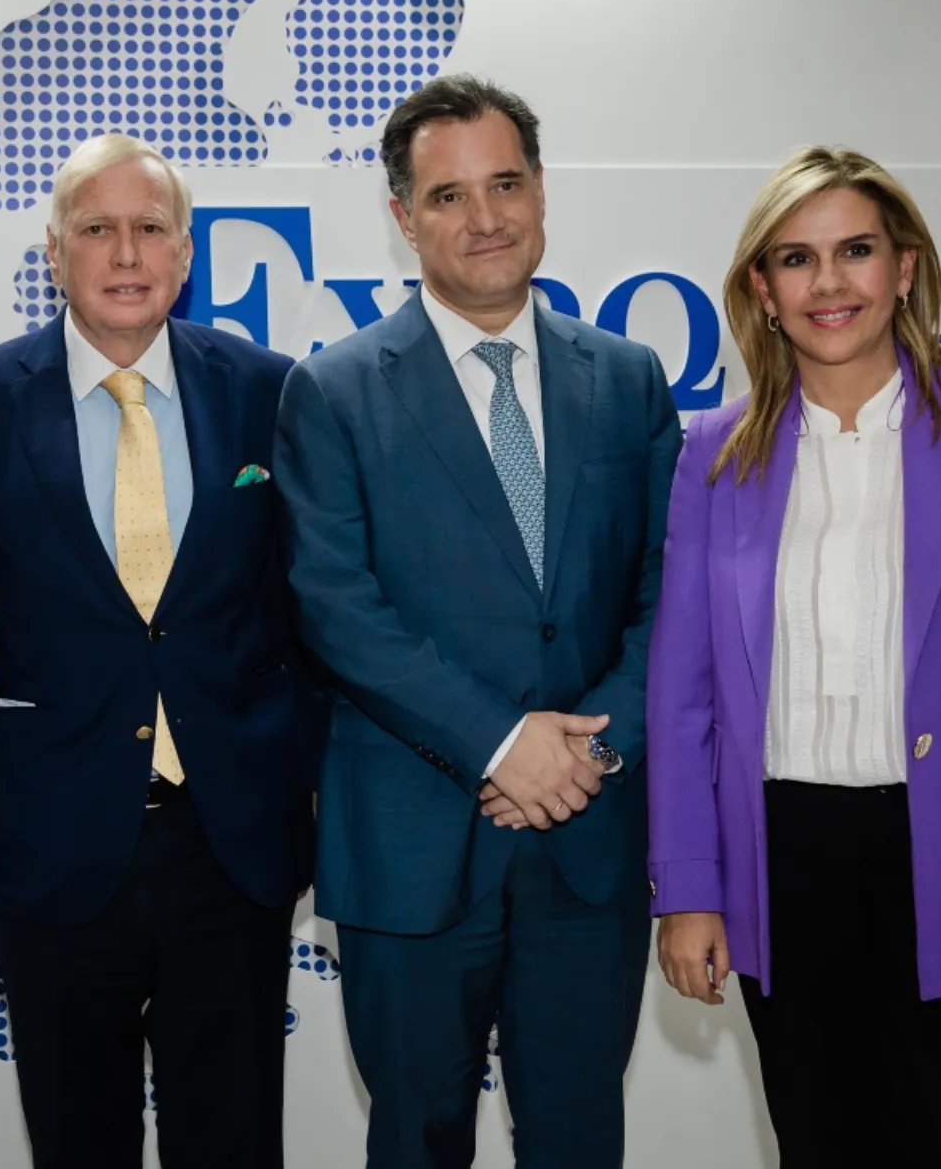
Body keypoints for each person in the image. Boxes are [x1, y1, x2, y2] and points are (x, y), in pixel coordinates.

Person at [646, 145, 941, 1168]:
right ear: (762, 289)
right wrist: (689, 889)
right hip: (784, 856)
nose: (829, 282)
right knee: (819, 1143)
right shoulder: (714, 453)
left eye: (856, 250)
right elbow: (682, 698)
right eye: (796, 258)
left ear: (905, 267)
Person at [274, 75, 680, 1168]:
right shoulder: (334, 390)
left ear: (541, 191)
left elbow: (670, 591)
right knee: (415, 1139)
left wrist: (590, 752)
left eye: (505, 184)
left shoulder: (628, 379)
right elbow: (335, 606)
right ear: (403, 218)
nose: (485, 217)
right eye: (448, 196)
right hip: (412, 845)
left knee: (579, 1138)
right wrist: (503, 743)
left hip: (589, 837)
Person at [0, 133, 317, 1169]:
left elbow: (308, 609)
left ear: (186, 252)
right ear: (53, 253)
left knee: (235, 1142)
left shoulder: (270, 391)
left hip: (231, 840)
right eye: (96, 229)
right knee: (77, 1140)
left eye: (150, 228)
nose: (125, 253)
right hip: (48, 839)